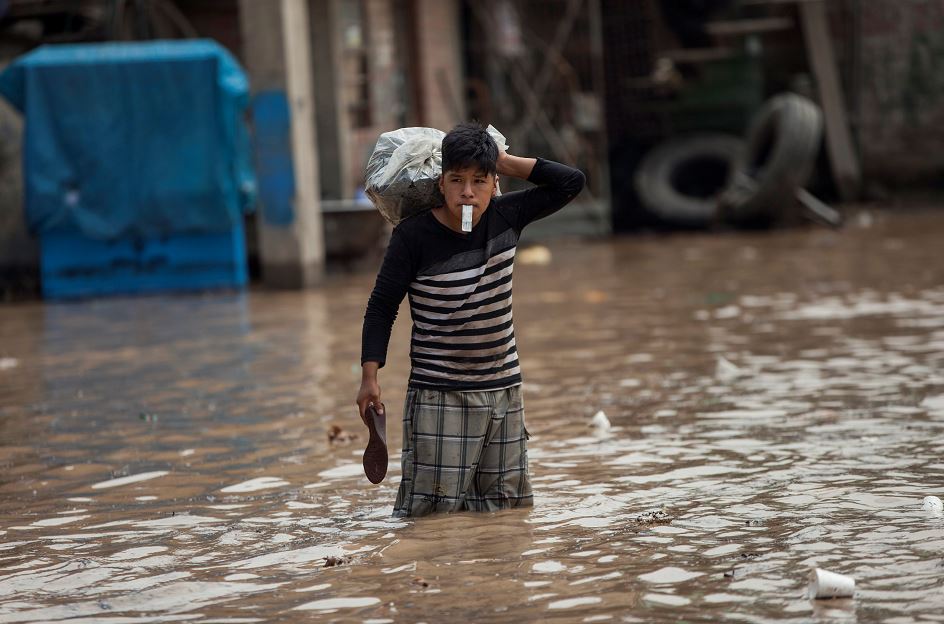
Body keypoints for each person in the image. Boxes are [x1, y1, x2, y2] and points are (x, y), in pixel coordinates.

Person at [356, 121, 585, 517]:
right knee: (430, 516)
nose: (467, 192)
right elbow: (381, 307)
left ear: (494, 183)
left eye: (479, 181)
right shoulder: (413, 237)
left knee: (505, 513)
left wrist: (505, 160)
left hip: (504, 392)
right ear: (440, 183)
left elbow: (571, 182)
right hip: (440, 395)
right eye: (456, 179)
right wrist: (369, 378)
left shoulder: (507, 216)